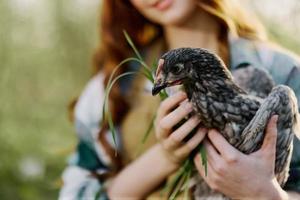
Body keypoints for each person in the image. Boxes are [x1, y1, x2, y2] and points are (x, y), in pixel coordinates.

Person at [59, 0, 300, 199]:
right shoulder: (110, 87)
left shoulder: (282, 72)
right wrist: (166, 157)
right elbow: (76, 192)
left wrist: (263, 193)